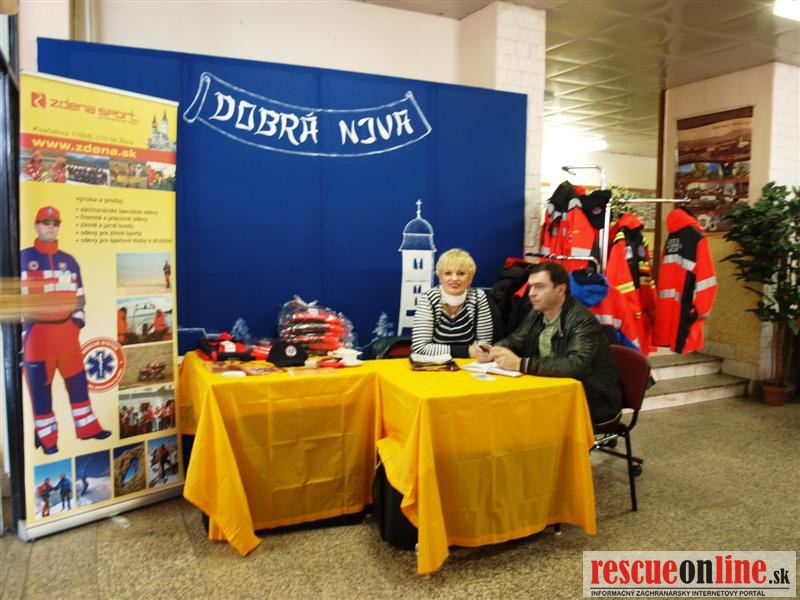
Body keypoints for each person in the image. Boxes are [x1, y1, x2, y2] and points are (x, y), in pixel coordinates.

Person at [480, 261, 622, 426]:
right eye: (531, 287)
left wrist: (520, 363)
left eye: (539, 287)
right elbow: (516, 340)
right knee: (499, 410)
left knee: (513, 417)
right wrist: (494, 351)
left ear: (560, 290)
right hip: (553, 392)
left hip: (592, 401)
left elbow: (574, 365)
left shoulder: (582, 321)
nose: (531, 293)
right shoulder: (538, 313)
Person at [21, 206, 111, 455]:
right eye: (45, 222)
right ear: (36, 226)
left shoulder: (69, 261)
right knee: (41, 390)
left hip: (67, 335)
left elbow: (79, 296)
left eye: (55, 223)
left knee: (78, 383)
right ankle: (47, 438)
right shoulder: (22, 258)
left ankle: (88, 428)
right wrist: (22, 332)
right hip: (38, 336)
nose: (51, 227)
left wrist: (76, 324)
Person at [411, 248, 495, 357]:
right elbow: (420, 347)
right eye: (448, 273)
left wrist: (475, 351)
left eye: (461, 273)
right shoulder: (429, 299)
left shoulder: (479, 297)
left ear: (470, 277)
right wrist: (467, 351)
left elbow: (484, 344)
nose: (454, 278)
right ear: (440, 277)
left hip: (470, 363)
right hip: (435, 363)